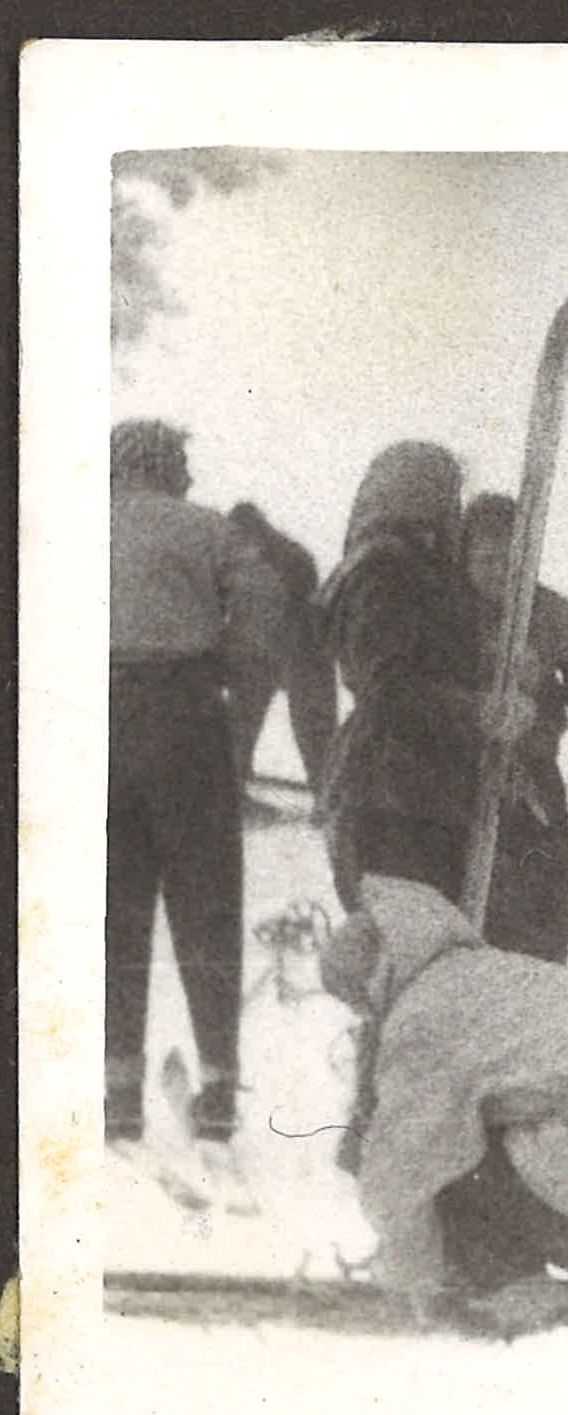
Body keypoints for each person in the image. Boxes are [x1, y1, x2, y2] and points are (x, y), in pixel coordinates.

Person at [319, 874, 568, 1305]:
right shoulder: (506, 971)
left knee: (445, 1155)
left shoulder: (421, 1015)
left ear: (369, 983)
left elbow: (401, 1170)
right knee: (548, 1119)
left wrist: (410, 1278)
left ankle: (513, 1289)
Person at [106, 419, 289, 1147]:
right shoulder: (210, 530)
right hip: (185, 722)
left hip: (99, 722)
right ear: (171, 466)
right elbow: (266, 609)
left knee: (116, 907)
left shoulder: (77, 523)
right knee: (206, 903)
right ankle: (217, 1085)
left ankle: (117, 1088)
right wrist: (236, 705)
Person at [317, 441, 531, 912]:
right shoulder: (384, 573)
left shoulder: (414, 572)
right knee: (410, 951)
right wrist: (477, 710)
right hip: (392, 798)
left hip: (418, 794)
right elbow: (387, 686)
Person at [457, 491, 568, 964]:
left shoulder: (549, 611)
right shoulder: (446, 612)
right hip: (459, 788)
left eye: (511, 556)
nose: (499, 570)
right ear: (464, 555)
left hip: (533, 791)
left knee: (540, 928)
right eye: (485, 556)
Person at [224, 501, 338, 793]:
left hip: (296, 649)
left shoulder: (289, 559)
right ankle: (236, 785)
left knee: (312, 728)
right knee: (242, 724)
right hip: (262, 651)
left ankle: (324, 792)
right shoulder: (246, 560)